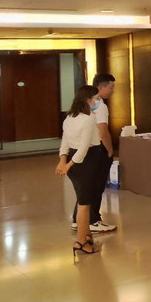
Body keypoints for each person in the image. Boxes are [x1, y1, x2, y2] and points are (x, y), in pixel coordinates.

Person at [56, 85, 104, 259]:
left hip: (74, 160)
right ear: (87, 100)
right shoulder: (88, 119)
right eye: (96, 98)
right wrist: (68, 165)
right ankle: (81, 242)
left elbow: (65, 143)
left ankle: (87, 235)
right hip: (87, 161)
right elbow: (84, 149)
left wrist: (63, 161)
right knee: (84, 204)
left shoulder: (69, 117)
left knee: (83, 199)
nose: (98, 101)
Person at [70, 73, 117, 234]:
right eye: (111, 87)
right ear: (101, 87)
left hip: (82, 150)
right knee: (96, 186)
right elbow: (103, 131)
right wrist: (110, 150)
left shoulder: (79, 109)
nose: (112, 91)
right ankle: (93, 220)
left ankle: (78, 220)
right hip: (97, 149)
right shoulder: (100, 106)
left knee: (85, 187)